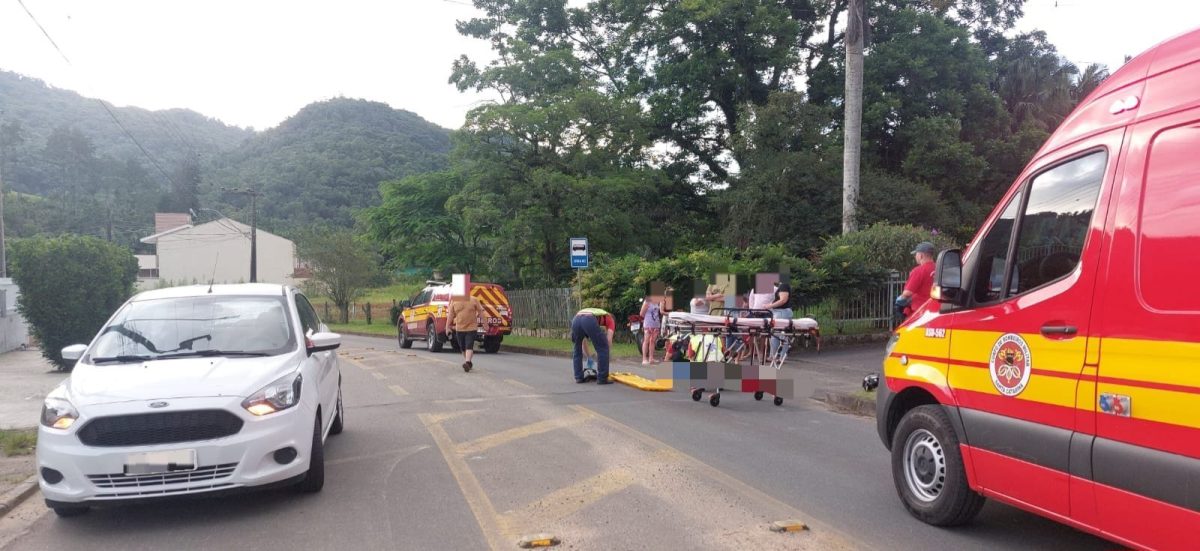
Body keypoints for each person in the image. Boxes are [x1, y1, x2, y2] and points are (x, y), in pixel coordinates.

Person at [894, 241, 937, 325]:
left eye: (916, 254)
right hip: (935, 311)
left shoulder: (919, 271)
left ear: (921, 255)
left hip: (918, 312)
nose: (915, 256)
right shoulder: (939, 268)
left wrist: (899, 301)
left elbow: (907, 293)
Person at [571, 307, 615, 384]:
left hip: (576, 319)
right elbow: (608, 341)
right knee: (603, 347)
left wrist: (589, 356)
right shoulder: (611, 320)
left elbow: (583, 341)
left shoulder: (598, 313)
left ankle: (579, 377)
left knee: (577, 349)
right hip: (588, 319)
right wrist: (606, 355)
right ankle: (602, 378)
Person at [446, 294, 486, 372]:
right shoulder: (454, 300)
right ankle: (469, 363)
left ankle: (467, 362)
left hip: (472, 328)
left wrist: (485, 324)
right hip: (459, 329)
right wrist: (447, 327)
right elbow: (450, 315)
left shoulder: (474, 299)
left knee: (469, 345)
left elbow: (481, 312)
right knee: (463, 348)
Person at [764, 278, 793, 359]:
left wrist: (769, 306)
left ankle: (776, 356)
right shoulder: (783, 285)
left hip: (781, 312)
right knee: (779, 335)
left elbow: (783, 300)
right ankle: (778, 355)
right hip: (781, 312)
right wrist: (770, 304)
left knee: (778, 335)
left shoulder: (784, 285)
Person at [639, 296, 662, 365]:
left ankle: (651, 358)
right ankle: (644, 359)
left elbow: (658, 312)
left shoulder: (658, 301)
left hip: (656, 323)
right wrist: (647, 319)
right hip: (648, 323)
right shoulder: (647, 301)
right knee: (646, 341)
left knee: (653, 341)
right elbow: (641, 314)